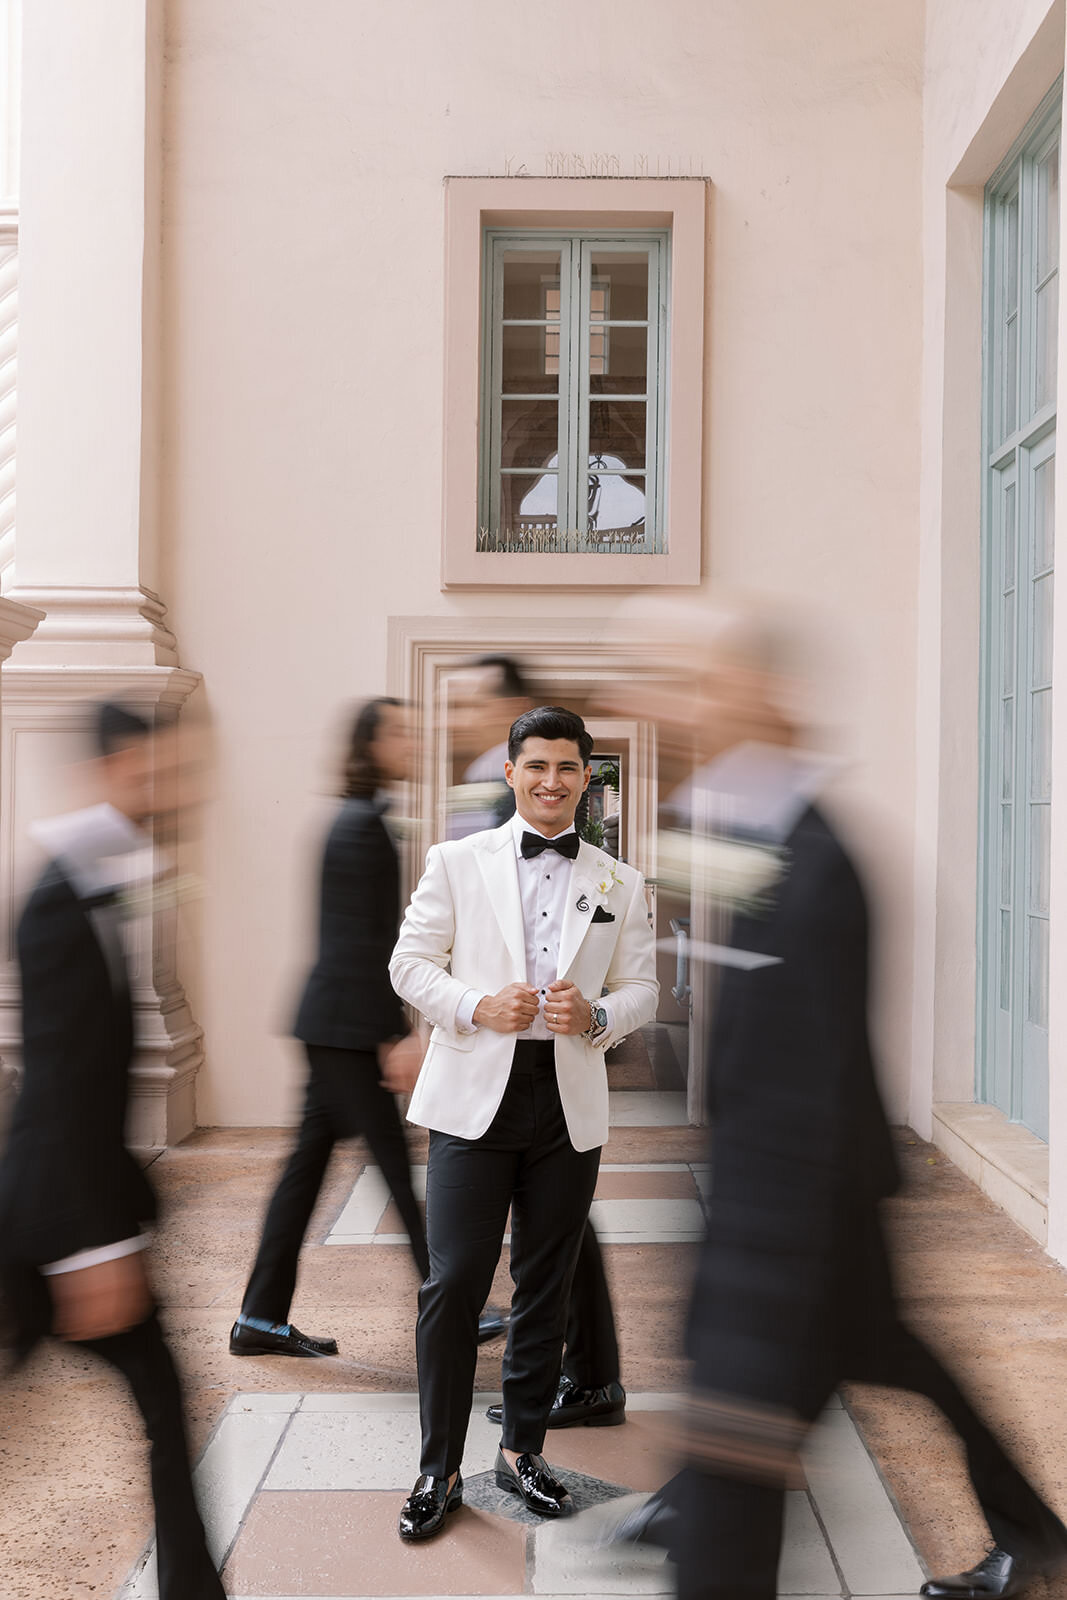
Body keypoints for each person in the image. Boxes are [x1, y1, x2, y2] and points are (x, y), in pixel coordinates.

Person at [607, 617, 1067, 1600]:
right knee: (890, 1352)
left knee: (763, 1462)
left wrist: (743, 1315)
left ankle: (1024, 1532)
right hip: (801, 1214)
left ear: (760, 697)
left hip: (794, 1226)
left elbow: (798, 1091)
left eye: (687, 681)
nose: (660, 701)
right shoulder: (736, 828)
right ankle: (1032, 1532)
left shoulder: (813, 864)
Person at [390, 705, 658, 1540]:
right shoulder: (455, 860)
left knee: (545, 1286)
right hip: (474, 1098)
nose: (551, 782)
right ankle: (437, 1467)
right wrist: (473, 1003)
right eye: (536, 766)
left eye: (568, 768)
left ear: (589, 777)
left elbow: (643, 989)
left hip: (565, 1105)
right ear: (510, 773)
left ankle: (523, 1454)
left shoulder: (619, 881)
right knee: (454, 1283)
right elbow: (408, 964)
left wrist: (597, 1015)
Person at [0, 702, 225, 1600]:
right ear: (126, 765)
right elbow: (57, 1081)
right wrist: (96, 1246)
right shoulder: (61, 894)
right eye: (168, 769)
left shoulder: (103, 870)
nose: (183, 788)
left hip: (67, 1201)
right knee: (161, 1405)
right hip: (55, 1216)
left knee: (163, 1405)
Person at [230, 697, 505, 1358]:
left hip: (333, 1024)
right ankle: (454, 1301)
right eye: (400, 732)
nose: (412, 741)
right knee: (394, 1164)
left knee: (308, 1169)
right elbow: (361, 944)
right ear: (369, 745)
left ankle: (258, 1320)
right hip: (348, 1028)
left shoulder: (362, 821)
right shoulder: (359, 828)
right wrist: (396, 1032)